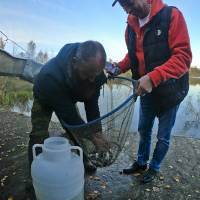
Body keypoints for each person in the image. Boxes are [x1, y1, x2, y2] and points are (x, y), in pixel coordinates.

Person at [109, 0, 192, 183]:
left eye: (129, 3)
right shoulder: (130, 26)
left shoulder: (171, 15)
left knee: (163, 136)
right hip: (146, 90)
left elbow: (183, 57)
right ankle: (141, 162)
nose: (128, 11)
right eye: (123, 6)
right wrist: (117, 68)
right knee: (143, 129)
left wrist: (154, 77)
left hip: (171, 92)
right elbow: (132, 56)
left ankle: (154, 167)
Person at [29, 40, 110, 174]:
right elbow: (69, 116)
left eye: (94, 75)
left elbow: (92, 105)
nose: (91, 79)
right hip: (45, 95)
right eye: (87, 74)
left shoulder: (95, 72)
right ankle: (35, 172)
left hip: (67, 98)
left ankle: (84, 160)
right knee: (38, 135)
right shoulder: (50, 76)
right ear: (74, 62)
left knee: (76, 132)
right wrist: (93, 138)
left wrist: (97, 132)